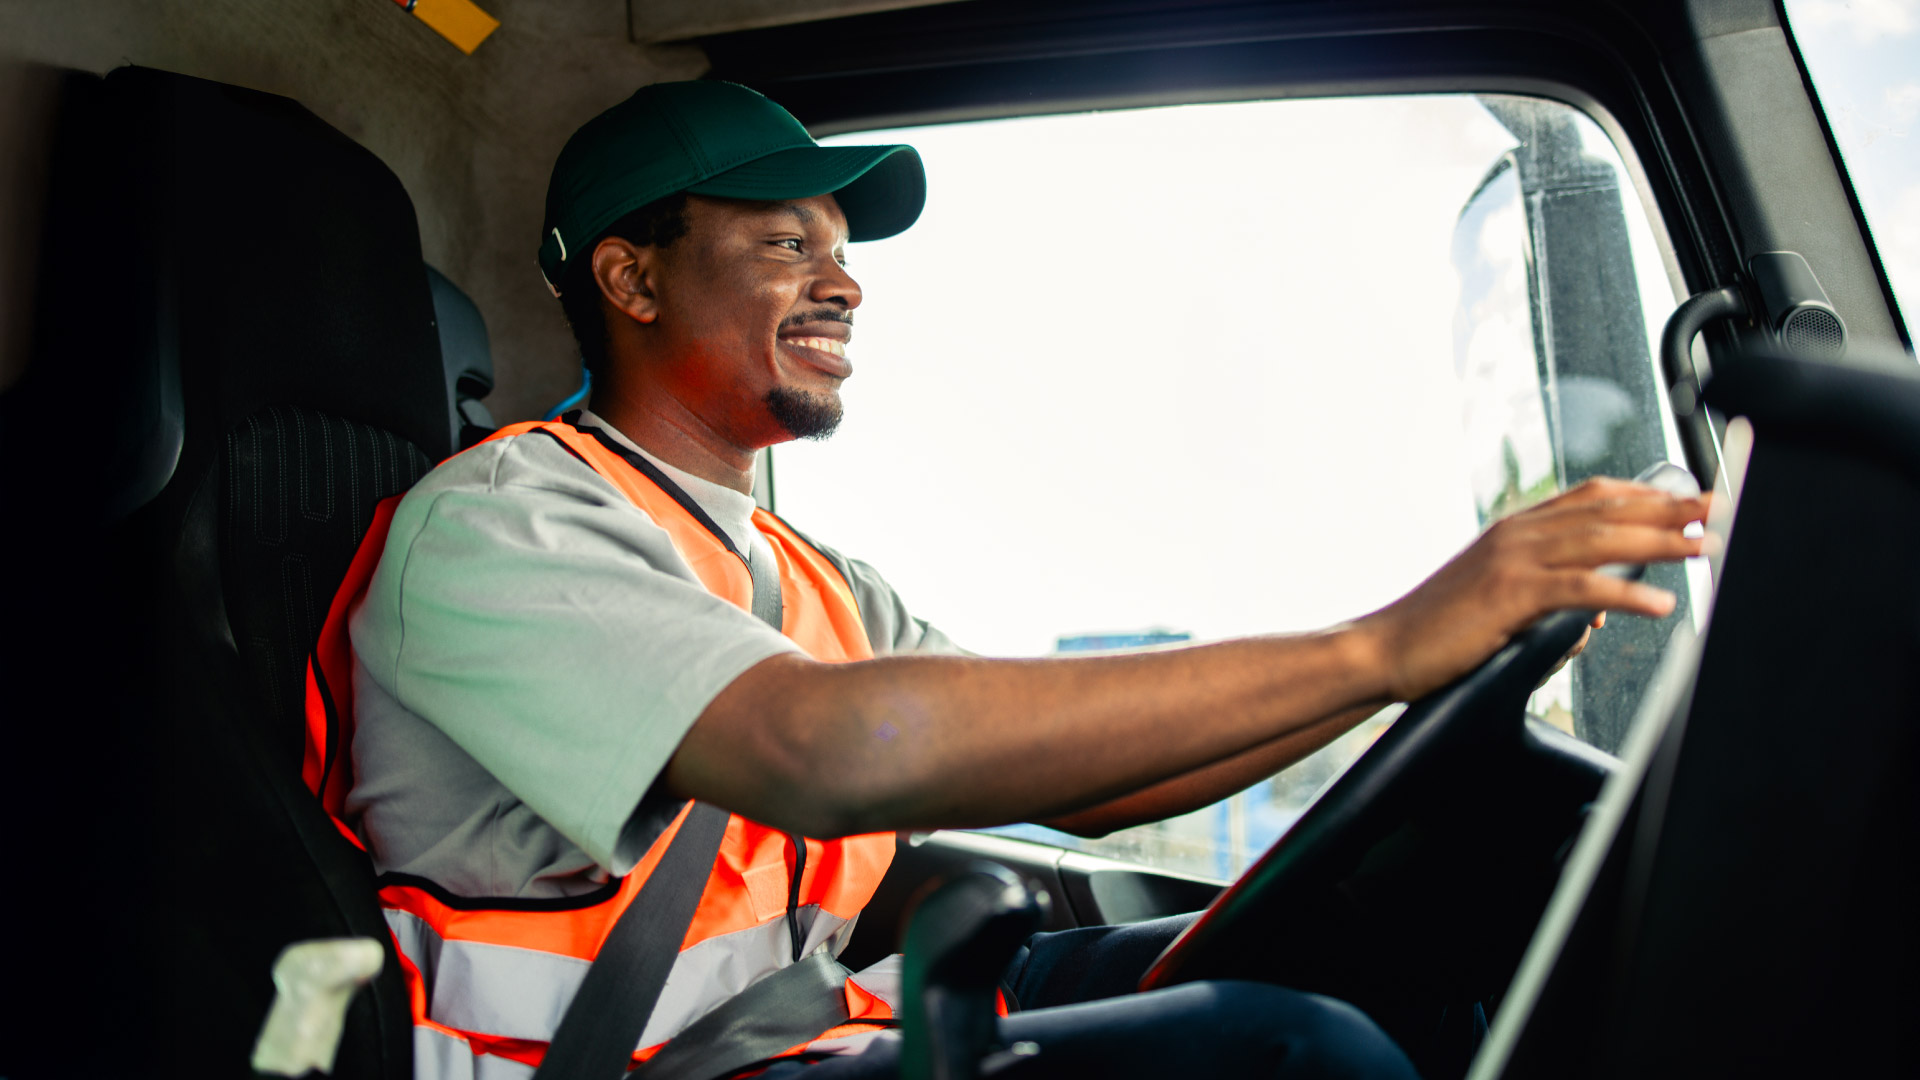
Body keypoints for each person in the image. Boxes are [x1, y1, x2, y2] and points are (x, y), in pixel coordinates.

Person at [324, 80, 1707, 1080]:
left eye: (843, 252)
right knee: (1290, 1055)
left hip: (810, 1026)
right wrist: (1381, 647)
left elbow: (1073, 777)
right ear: (629, 277)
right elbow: (821, 752)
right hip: (639, 1071)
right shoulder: (500, 522)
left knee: (1397, 958)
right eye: (787, 243)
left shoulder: (816, 577)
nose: (844, 285)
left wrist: (1424, 666)